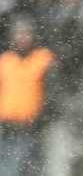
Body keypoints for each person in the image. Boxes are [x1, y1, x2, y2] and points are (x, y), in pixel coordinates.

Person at [0, 14, 58, 176]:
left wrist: (42, 118)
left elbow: (54, 92)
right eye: (18, 33)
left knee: (20, 169)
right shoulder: (6, 59)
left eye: (26, 33)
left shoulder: (43, 57)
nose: (22, 37)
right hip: (5, 127)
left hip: (30, 128)